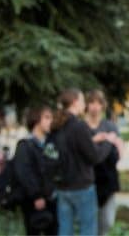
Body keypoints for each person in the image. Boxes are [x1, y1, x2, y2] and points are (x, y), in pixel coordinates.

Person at [51, 88, 115, 236]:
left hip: (62, 186)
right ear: (75, 102)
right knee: (88, 229)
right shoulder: (79, 126)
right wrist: (108, 142)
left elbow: (67, 149)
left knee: (65, 229)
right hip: (82, 187)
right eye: (82, 101)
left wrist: (93, 140)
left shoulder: (57, 125)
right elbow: (95, 157)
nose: (84, 105)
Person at [12, 106, 58, 235]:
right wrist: (36, 196)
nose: (51, 121)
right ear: (36, 120)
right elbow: (24, 173)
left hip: (52, 199)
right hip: (33, 201)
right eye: (47, 118)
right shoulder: (25, 145)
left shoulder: (51, 144)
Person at [85, 90, 123, 236]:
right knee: (89, 222)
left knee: (107, 221)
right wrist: (96, 140)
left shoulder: (110, 126)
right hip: (88, 179)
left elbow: (119, 148)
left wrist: (118, 146)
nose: (95, 107)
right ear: (87, 105)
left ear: (102, 106)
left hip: (108, 179)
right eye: (91, 103)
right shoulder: (82, 127)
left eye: (98, 103)